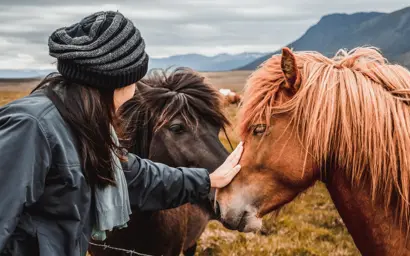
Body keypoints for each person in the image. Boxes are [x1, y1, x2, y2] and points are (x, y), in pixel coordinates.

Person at [0, 11, 243, 256]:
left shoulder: (79, 124)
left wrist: (207, 180)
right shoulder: (31, 127)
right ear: (115, 83)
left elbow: (132, 176)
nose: (136, 90)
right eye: (134, 81)